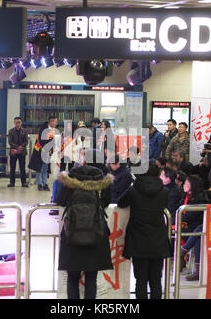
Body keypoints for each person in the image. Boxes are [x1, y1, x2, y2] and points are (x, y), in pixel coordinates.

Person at [56, 149, 113, 299]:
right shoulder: (102, 181)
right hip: (95, 234)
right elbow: (106, 202)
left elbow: (60, 200)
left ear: (85, 161)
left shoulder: (71, 178)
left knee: (73, 278)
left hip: (72, 234)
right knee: (91, 278)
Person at [117, 162, 172, 299]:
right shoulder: (164, 192)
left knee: (140, 280)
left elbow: (121, 203)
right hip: (158, 240)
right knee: (155, 280)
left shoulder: (133, 190)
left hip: (138, 239)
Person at [179, 175, 210, 280]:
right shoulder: (187, 196)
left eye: (186, 183)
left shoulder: (200, 199)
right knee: (197, 237)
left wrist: (176, 219)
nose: (184, 185)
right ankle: (183, 254)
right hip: (191, 227)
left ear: (193, 185)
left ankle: (182, 252)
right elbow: (179, 211)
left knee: (197, 235)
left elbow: (188, 216)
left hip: (196, 227)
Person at [29, 115, 58, 191]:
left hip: (47, 152)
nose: (56, 123)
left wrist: (51, 150)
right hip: (40, 151)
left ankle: (45, 183)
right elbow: (42, 140)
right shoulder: (43, 128)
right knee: (39, 168)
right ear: (51, 121)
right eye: (55, 121)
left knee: (45, 168)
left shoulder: (52, 130)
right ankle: (39, 184)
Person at [7, 117, 29, 187]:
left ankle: (24, 182)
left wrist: (21, 147)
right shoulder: (11, 131)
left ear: (21, 123)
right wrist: (17, 147)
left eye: (19, 122)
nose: (17, 124)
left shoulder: (24, 131)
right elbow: (10, 142)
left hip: (22, 151)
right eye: (16, 122)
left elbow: (26, 141)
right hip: (14, 151)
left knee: (22, 167)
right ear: (14, 123)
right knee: (12, 167)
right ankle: (12, 182)